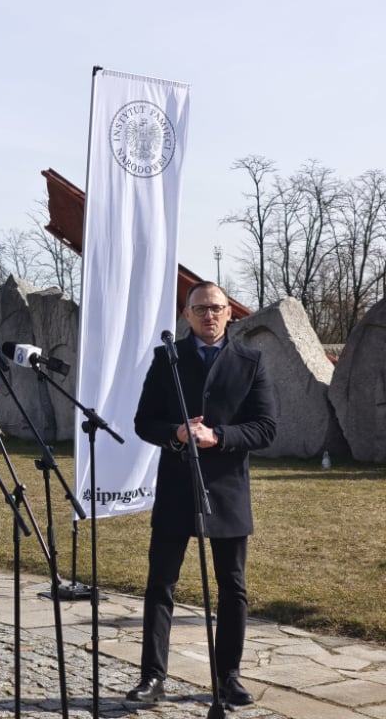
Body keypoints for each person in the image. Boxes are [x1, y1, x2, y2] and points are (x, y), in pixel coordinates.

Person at [128, 281, 277, 707]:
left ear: (229, 312)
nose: (208, 316)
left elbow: (265, 428)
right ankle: (153, 677)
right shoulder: (167, 359)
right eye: (199, 309)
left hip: (227, 488)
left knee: (233, 587)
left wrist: (219, 435)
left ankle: (227, 676)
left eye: (215, 308)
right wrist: (176, 432)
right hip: (177, 485)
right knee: (161, 583)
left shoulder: (251, 361)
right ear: (186, 315)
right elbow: (143, 422)